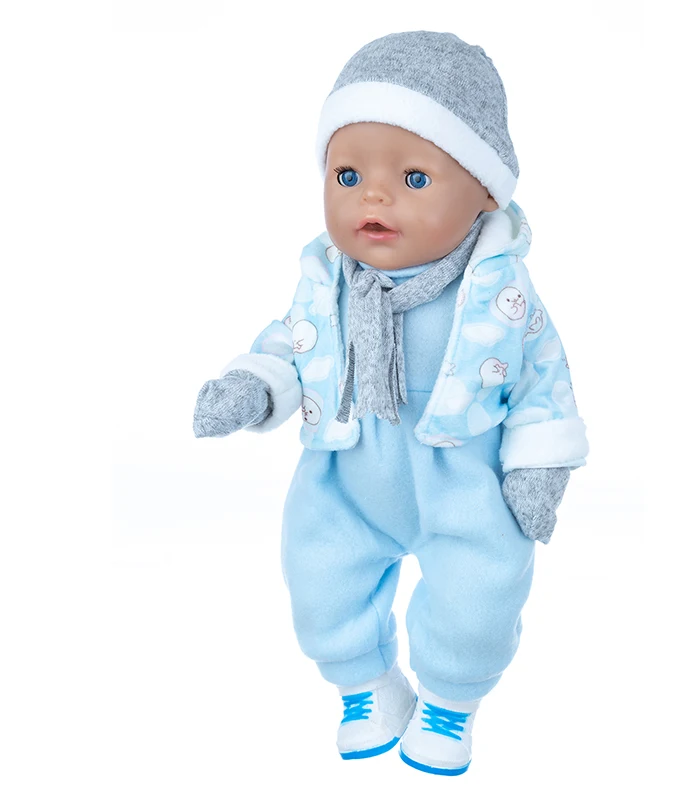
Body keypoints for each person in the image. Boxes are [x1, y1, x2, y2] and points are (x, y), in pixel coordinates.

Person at [194, 30, 589, 776]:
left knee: (479, 595)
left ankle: (449, 701)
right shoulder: (328, 279)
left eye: (413, 178)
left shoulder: (500, 290)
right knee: (319, 580)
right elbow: (291, 343)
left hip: (462, 477)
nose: (371, 196)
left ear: (484, 192)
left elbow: (543, 378)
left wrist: (539, 468)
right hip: (346, 472)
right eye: (347, 174)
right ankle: (368, 685)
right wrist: (253, 386)